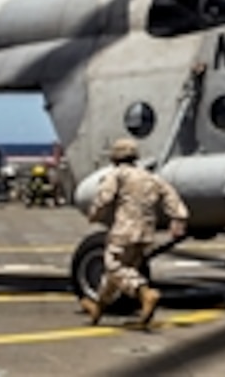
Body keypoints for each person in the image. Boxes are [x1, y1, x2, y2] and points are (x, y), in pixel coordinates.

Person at [79, 138, 189, 328]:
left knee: (113, 267)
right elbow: (170, 194)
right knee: (115, 276)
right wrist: (179, 217)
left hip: (125, 230)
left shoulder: (118, 175)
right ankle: (97, 310)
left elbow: (104, 196)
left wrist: (94, 213)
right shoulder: (150, 176)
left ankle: (145, 293)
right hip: (145, 233)